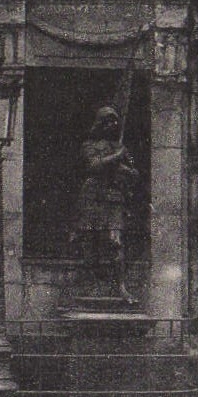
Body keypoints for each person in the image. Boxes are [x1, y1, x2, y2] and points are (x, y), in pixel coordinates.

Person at [70, 105, 139, 302]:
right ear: (100, 124)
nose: (113, 124)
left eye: (115, 121)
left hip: (113, 197)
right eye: (108, 121)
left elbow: (134, 173)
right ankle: (91, 284)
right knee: (90, 242)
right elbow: (94, 165)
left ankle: (121, 286)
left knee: (115, 242)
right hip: (92, 196)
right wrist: (117, 157)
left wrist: (126, 170)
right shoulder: (89, 145)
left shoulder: (121, 147)